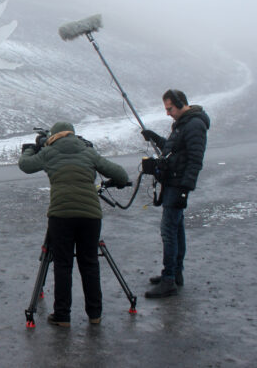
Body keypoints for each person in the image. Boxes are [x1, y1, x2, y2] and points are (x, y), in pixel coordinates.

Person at [19, 121, 128, 327]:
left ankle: (62, 316)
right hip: (90, 216)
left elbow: (26, 165)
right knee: (89, 264)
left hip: (61, 216)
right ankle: (95, 314)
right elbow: (120, 174)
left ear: (53, 136)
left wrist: (29, 150)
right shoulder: (88, 152)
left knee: (63, 265)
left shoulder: (49, 153)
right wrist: (119, 182)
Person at [141, 89, 210, 298]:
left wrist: (184, 190)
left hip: (178, 186)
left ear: (181, 103)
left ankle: (169, 279)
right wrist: (154, 137)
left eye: (170, 108)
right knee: (176, 229)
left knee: (168, 231)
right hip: (173, 183)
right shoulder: (183, 125)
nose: (168, 113)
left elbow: (195, 160)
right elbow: (173, 149)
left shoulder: (194, 125)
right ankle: (175, 273)